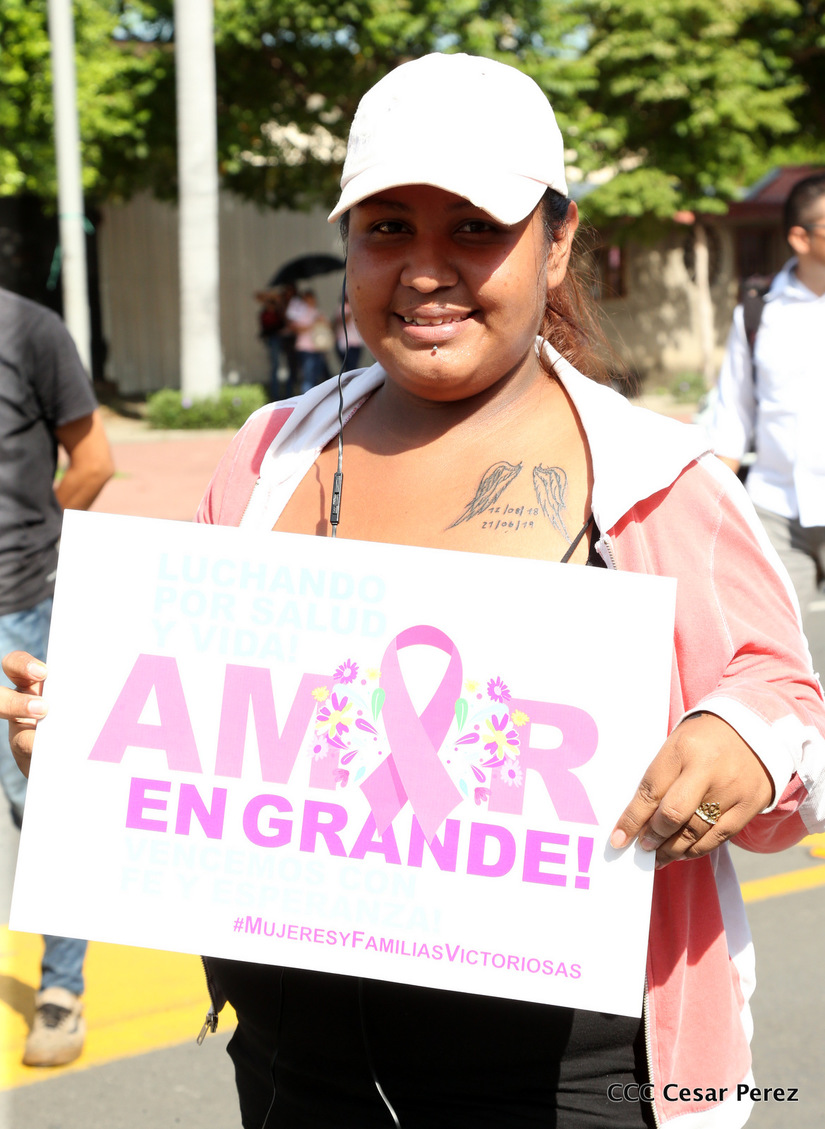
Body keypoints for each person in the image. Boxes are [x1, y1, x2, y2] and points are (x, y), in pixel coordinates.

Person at [3, 53, 825, 1128]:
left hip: (571, 1085)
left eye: (475, 228)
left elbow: (791, 708)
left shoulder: (658, 483)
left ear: (557, 241)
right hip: (298, 1073)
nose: (426, 269)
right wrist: (85, 744)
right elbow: (197, 724)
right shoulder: (269, 455)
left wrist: (741, 743)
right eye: (387, 227)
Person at [0, 287, 114, 1066]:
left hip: (16, 607)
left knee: (37, 796)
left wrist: (35, 548)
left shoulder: (29, 330)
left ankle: (62, 987)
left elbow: (94, 459)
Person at [704, 171, 825, 662]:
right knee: (793, 652)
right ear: (800, 237)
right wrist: (712, 510)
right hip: (775, 507)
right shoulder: (757, 313)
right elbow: (733, 415)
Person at [284, 287, 332, 393]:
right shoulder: (300, 313)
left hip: (318, 348)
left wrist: (322, 322)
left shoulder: (317, 312)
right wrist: (313, 324)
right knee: (308, 378)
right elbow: (296, 329)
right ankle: (307, 399)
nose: (311, 301)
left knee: (317, 377)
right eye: (308, 299)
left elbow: (329, 326)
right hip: (305, 348)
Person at [253, 284, 292, 400]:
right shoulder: (266, 314)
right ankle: (276, 394)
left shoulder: (280, 311)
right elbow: (258, 295)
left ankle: (286, 393)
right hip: (274, 339)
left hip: (283, 339)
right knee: (275, 366)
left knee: (287, 366)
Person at [333, 295, 364, 372]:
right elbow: (342, 320)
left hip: (357, 342)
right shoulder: (342, 308)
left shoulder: (355, 307)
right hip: (347, 343)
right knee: (350, 368)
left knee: (354, 366)